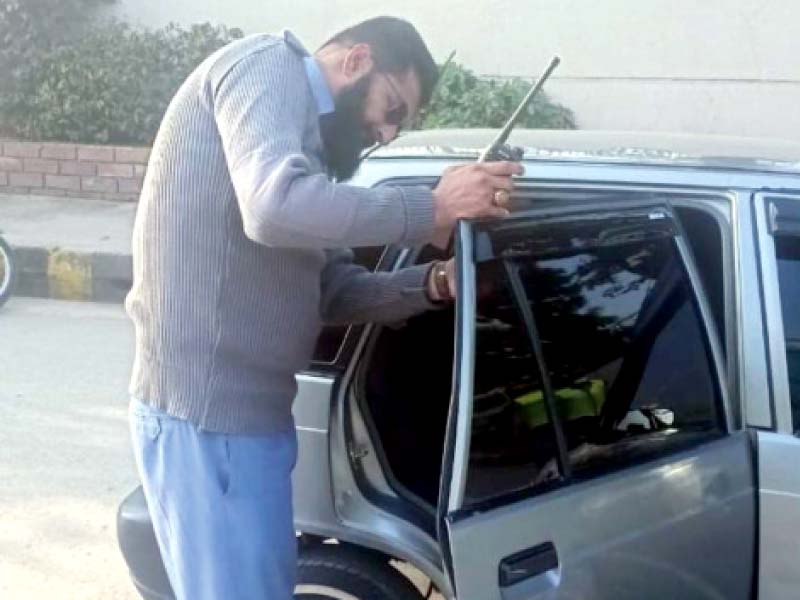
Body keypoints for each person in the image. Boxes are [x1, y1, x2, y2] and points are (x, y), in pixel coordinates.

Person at [125, 15, 522, 600]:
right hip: (207, 417)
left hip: (248, 425)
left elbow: (332, 291)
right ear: (357, 60)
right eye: (392, 110)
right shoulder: (265, 65)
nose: (387, 134)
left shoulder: (307, 151)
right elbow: (272, 207)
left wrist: (435, 283)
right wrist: (431, 207)